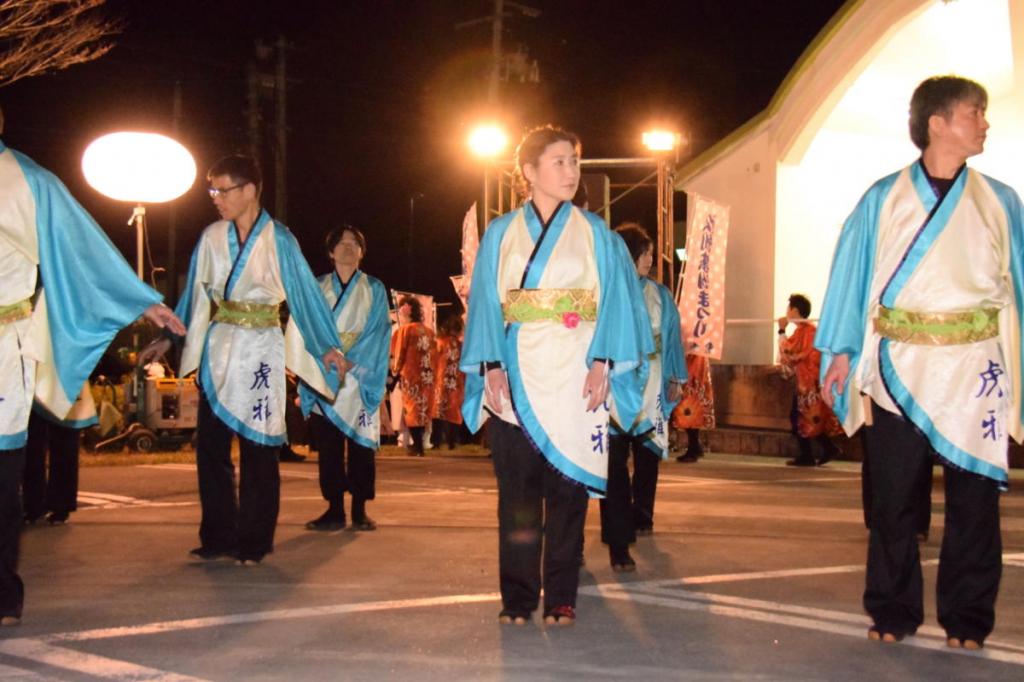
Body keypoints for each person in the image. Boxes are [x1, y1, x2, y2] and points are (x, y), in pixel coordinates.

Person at [817, 76, 1021, 650]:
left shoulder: (1000, 201)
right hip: (898, 366)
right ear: (937, 122)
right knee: (893, 500)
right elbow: (851, 277)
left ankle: (968, 618)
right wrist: (839, 352)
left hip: (974, 369)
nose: (984, 123)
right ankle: (892, 609)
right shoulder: (883, 198)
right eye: (974, 113)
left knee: (975, 502)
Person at [0, 106, 184, 625]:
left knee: (2, 473)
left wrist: (140, 301)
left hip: (4, 342)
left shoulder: (29, 181)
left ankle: (2, 591)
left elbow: (82, 248)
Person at [461, 125, 650, 626]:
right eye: (560, 161)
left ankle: (562, 595)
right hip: (515, 376)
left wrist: (604, 360)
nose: (571, 171)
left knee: (568, 490)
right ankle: (518, 597)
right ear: (529, 171)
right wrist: (490, 363)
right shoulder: (501, 233)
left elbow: (617, 301)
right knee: (517, 496)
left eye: (575, 161)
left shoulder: (596, 234)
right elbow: (485, 302)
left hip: (574, 376)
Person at [139, 154, 345, 566]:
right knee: (210, 446)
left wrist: (326, 344)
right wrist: (169, 337)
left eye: (223, 189)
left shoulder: (279, 239)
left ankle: (254, 540)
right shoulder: (212, 237)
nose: (216, 198)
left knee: (259, 447)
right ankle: (217, 535)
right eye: (212, 190)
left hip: (261, 347)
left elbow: (304, 294)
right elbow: (195, 295)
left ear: (249, 190)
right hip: (220, 348)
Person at [600, 223, 686, 571]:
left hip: (651, 379)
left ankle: (643, 514)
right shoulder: (607, 291)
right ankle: (618, 541)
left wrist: (675, 376)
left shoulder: (660, 294)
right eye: (645, 253)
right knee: (613, 464)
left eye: (651, 253)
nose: (650, 259)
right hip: (615, 385)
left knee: (649, 452)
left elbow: (673, 338)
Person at [300, 225, 390, 532]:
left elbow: (379, 330)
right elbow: (307, 326)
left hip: (359, 375)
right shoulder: (318, 287)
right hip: (326, 374)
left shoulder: (374, 288)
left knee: (362, 446)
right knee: (329, 447)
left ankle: (360, 509)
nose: (348, 247)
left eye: (354, 243)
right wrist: (326, 355)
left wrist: (355, 361)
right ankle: (334, 508)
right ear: (330, 251)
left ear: (362, 252)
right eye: (341, 243)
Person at [777, 293, 841, 467]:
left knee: (802, 417)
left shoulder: (807, 332)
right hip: (807, 383)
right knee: (806, 417)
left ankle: (811, 453)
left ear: (795, 310)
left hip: (809, 384)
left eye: (789, 308)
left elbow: (789, 352)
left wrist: (781, 331)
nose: (787, 311)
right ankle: (822, 450)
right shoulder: (805, 331)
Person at [22, 389, 98, 526]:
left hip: (50, 383)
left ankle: (39, 506)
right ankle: (45, 506)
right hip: (60, 382)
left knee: (37, 443)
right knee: (39, 443)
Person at [390, 296, 436, 456]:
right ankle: (419, 444)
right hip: (427, 375)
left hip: (411, 374)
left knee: (411, 409)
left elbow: (398, 353)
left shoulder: (404, 331)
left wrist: (395, 371)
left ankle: (417, 446)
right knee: (422, 410)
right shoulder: (429, 331)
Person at [671, 354, 714, 462]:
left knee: (689, 408)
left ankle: (693, 447)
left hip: (692, 369)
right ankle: (694, 445)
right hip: (693, 366)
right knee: (690, 409)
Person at [432, 314, 466, 450]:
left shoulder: (440, 342)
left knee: (438, 411)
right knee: (454, 411)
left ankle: (436, 441)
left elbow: (433, 360)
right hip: (457, 382)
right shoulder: (461, 345)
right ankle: (453, 441)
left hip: (441, 380)